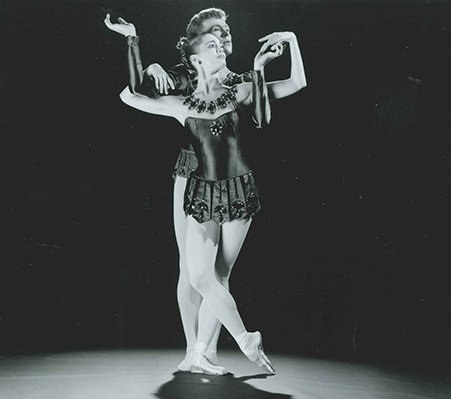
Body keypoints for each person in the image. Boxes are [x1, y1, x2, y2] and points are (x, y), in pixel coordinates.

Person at [105, 16, 306, 375]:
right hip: (199, 188)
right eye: (211, 40)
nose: (221, 42)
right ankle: (227, 343)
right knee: (196, 274)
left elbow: (279, 100)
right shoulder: (182, 100)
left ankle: (205, 353)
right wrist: (136, 44)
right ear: (196, 57)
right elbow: (130, 93)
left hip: (238, 190)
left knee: (219, 274)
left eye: (222, 39)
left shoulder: (240, 86)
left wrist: (280, 49)